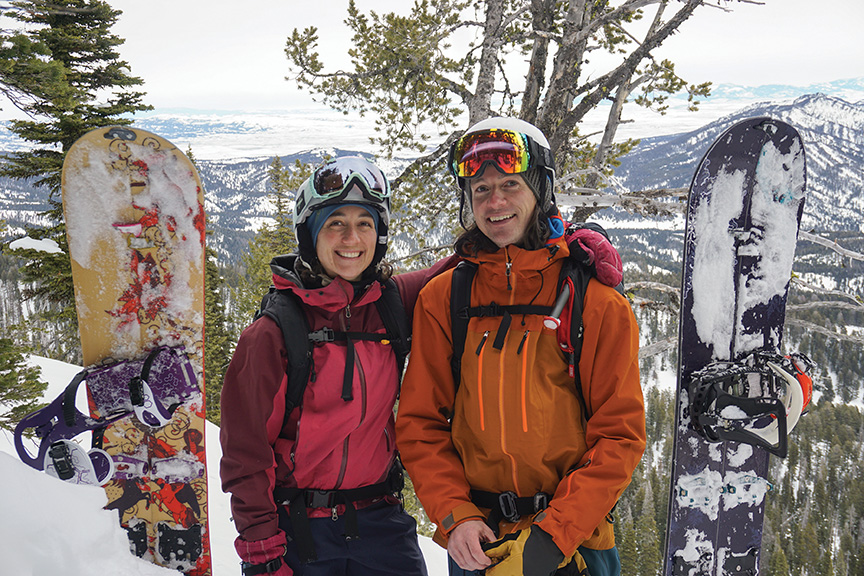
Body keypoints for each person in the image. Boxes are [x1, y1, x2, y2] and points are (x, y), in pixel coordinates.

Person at [395, 118, 647, 576]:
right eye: (480, 189)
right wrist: (458, 517)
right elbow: (420, 425)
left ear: (540, 189)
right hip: (480, 543)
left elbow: (619, 435)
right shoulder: (445, 298)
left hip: (573, 543)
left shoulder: (593, 300)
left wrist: (555, 534)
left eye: (510, 184)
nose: (495, 203)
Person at [220, 156, 448, 576]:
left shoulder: (390, 304)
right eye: (335, 222)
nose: (352, 237)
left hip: (382, 524)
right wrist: (262, 551)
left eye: (365, 223)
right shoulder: (273, 333)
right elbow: (245, 453)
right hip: (299, 529)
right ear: (310, 233)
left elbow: (465, 263)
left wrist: (571, 237)